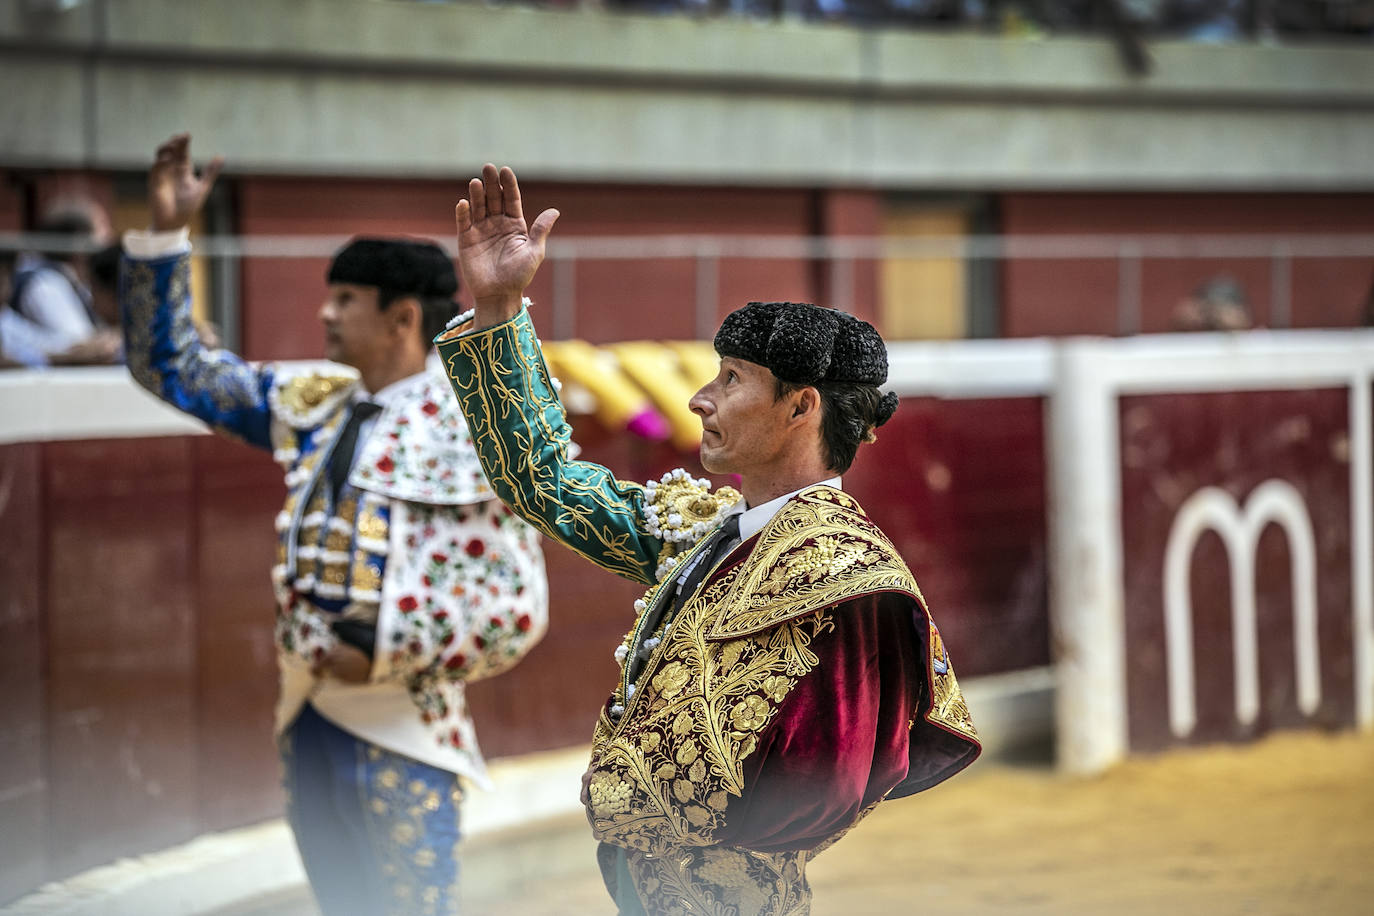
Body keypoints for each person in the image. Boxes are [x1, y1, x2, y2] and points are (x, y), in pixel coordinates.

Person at [436, 164, 980, 915]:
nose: (699, 399)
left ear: (801, 408)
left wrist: (649, 801)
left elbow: (837, 775)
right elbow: (544, 480)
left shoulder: (848, 571)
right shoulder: (707, 534)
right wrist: (499, 311)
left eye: (730, 380)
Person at [119, 136, 549, 916]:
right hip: (305, 710)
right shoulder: (318, 402)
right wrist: (164, 236)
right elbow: (172, 369)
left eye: (345, 298)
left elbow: (515, 607)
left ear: (402, 318)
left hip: (406, 727)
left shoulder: (470, 426)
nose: (324, 312)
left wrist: (381, 650)